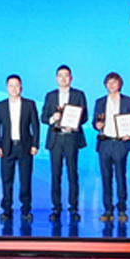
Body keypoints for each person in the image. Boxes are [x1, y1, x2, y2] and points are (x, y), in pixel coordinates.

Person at [41, 65, 88, 223]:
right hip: (55, 138)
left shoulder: (78, 95)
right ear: (56, 78)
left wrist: (74, 124)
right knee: (56, 174)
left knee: (72, 173)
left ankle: (74, 207)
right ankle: (56, 207)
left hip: (71, 137)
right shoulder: (50, 96)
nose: (63, 78)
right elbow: (43, 117)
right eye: (60, 75)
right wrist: (53, 118)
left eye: (66, 75)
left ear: (71, 78)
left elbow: (85, 116)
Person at [0, 74, 40, 223]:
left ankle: (26, 209)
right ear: (7, 88)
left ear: (21, 88)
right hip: (7, 147)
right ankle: (7, 209)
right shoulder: (0, 106)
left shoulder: (29, 104)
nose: (14, 88)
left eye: (17, 85)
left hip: (25, 147)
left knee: (25, 179)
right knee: (7, 179)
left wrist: (35, 145)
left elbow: (36, 126)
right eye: (11, 85)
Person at [93, 72, 130, 223]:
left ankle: (122, 208)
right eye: (109, 82)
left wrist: (129, 132)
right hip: (105, 142)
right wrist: (97, 125)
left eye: (114, 82)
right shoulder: (100, 102)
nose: (111, 85)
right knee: (106, 178)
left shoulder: (127, 101)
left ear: (120, 84)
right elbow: (94, 122)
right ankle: (108, 209)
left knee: (120, 176)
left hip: (120, 143)